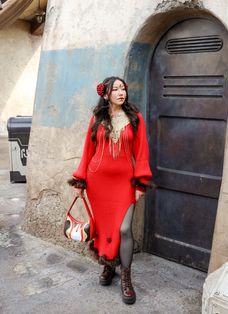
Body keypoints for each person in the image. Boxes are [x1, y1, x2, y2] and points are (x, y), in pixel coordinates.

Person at [68, 76, 152, 305]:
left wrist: (140, 183)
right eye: (115, 89)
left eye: (122, 88)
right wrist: (81, 181)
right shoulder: (97, 119)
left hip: (124, 184)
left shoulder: (136, 119)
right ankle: (107, 266)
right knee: (104, 228)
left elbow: (142, 152)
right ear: (106, 94)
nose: (120, 92)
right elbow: (88, 151)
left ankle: (126, 277)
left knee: (124, 229)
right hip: (98, 183)